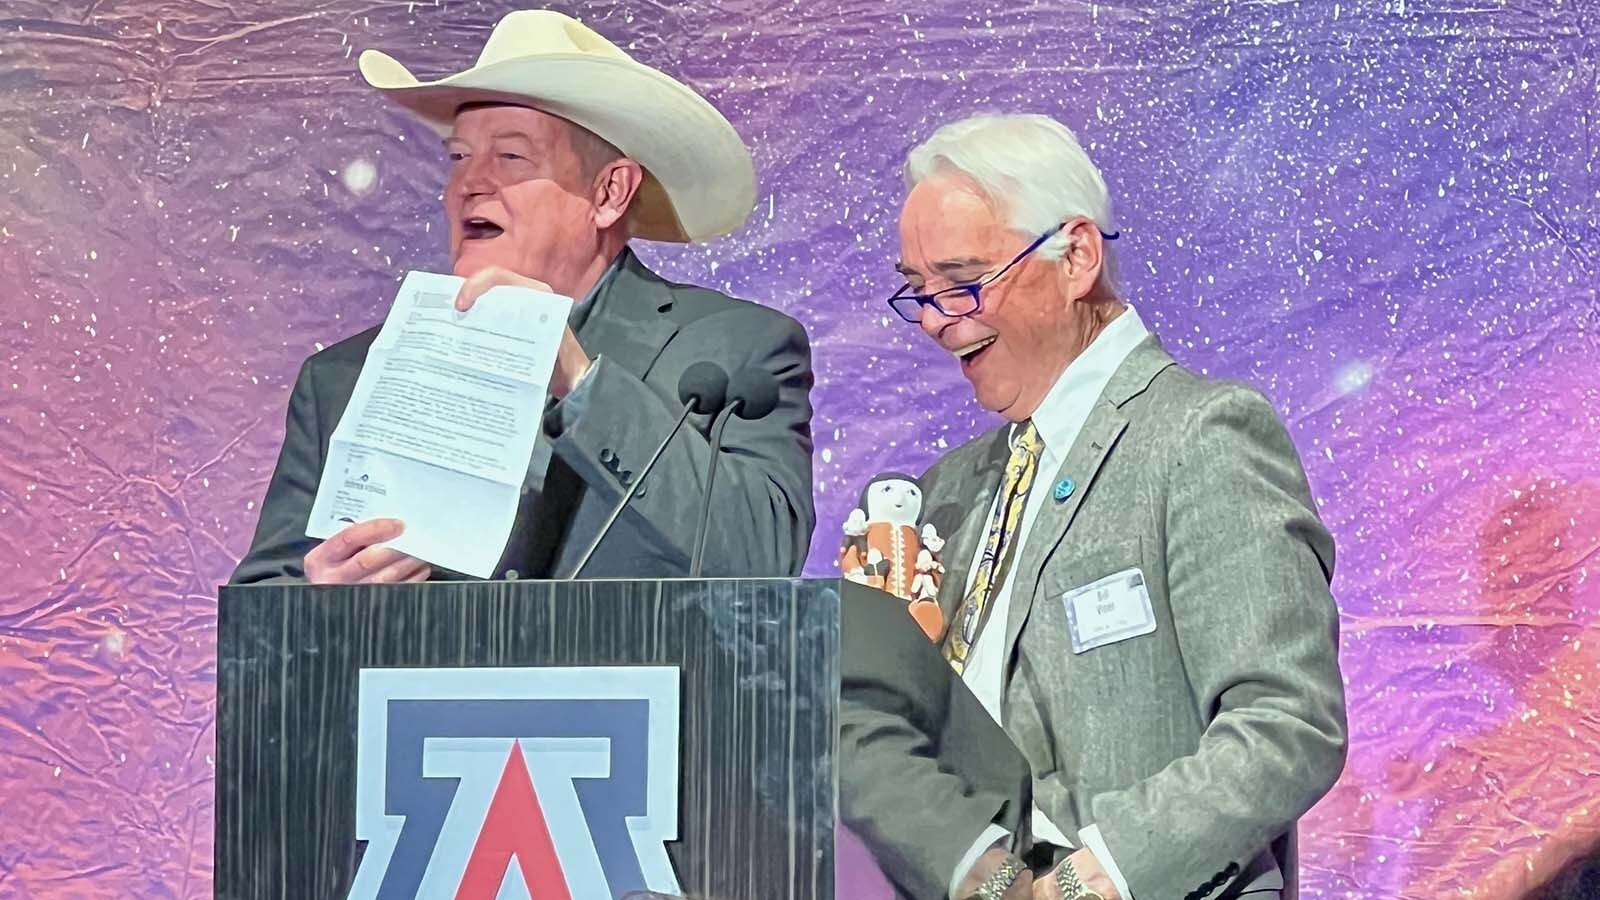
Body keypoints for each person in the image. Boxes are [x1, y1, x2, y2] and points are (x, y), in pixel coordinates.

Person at [839, 113, 1347, 900]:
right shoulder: (949, 493)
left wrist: (1082, 883)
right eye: (919, 292)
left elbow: (1286, 725)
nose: (937, 320)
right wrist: (868, 649)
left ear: (1076, 256)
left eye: (963, 281)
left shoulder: (1198, 436)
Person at [231, 10, 814, 585]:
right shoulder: (343, 379)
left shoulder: (732, 356)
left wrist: (581, 381)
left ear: (609, 192)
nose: (469, 183)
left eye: (511, 157)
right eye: (459, 157)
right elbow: (260, 617)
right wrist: (320, 606)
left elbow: (763, 555)